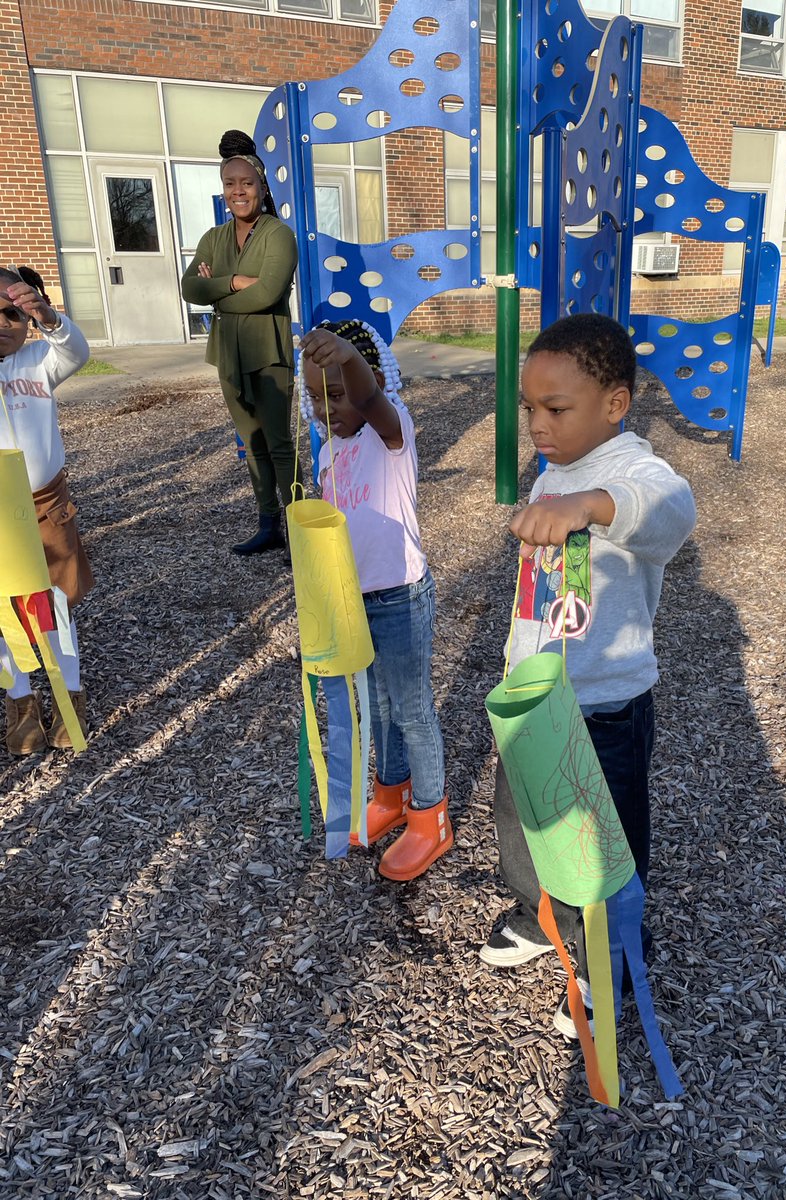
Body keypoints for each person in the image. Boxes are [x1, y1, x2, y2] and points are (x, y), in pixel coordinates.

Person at [479, 312, 696, 1037]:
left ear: (614, 404)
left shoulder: (629, 469)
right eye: (530, 409)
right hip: (534, 696)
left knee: (606, 842)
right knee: (524, 819)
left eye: (556, 409)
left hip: (604, 703)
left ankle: (615, 955)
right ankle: (544, 914)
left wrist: (591, 506)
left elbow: (669, 511)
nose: (538, 424)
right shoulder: (557, 466)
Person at [298, 319, 452, 882]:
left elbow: (368, 396)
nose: (326, 408)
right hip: (355, 601)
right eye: (315, 397)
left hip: (402, 597)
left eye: (334, 395)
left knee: (411, 707)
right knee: (379, 707)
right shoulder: (327, 454)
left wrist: (346, 361)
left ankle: (431, 815)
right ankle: (392, 792)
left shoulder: (391, 435)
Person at [181, 129, 300, 555]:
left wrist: (216, 292)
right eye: (229, 184)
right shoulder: (213, 238)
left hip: (268, 351)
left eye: (246, 183)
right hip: (228, 355)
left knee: (279, 444)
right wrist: (231, 280)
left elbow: (268, 292)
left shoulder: (278, 235)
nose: (238, 191)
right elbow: (188, 287)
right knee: (251, 443)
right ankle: (268, 524)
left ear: (262, 186)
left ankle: (299, 530)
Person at [0, 267, 93, 754]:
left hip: (45, 506)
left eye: (13, 313)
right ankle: (21, 701)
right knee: (4, 609)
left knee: (54, 604)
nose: (3, 322)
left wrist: (50, 319)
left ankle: (68, 696)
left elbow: (76, 352)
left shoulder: (38, 359)